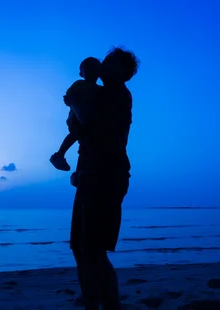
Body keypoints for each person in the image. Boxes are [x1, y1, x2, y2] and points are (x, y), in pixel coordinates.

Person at [66, 46, 139, 310]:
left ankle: (110, 306)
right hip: (89, 175)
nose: (102, 65)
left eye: (108, 62)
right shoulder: (99, 94)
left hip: (106, 178)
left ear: (121, 71)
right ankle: (91, 304)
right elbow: (82, 129)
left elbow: (88, 121)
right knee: (80, 248)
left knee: (93, 251)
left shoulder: (117, 95)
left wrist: (73, 98)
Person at [49, 57, 102, 172]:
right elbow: (69, 96)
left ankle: (62, 157)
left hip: (89, 118)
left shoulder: (100, 89)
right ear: (81, 73)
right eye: (87, 69)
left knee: (82, 134)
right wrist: (71, 101)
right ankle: (60, 154)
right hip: (76, 118)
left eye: (94, 68)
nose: (91, 71)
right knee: (77, 133)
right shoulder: (79, 84)